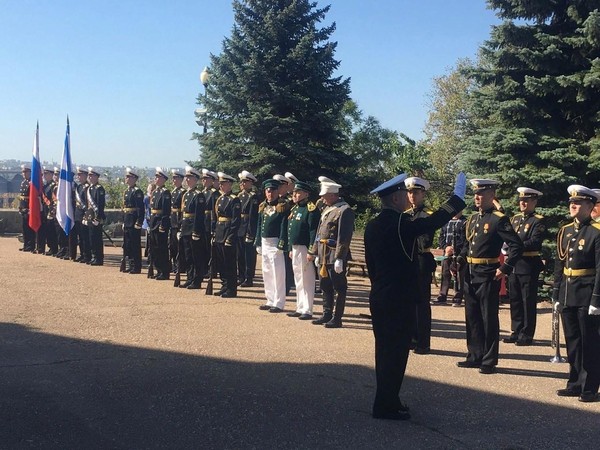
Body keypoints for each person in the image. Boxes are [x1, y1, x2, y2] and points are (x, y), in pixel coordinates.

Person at [364, 173, 466, 421]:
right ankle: (386, 405)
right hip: (398, 297)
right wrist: (456, 199)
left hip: (380, 293)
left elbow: (372, 267)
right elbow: (432, 222)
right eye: (403, 195)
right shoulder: (400, 224)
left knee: (384, 350)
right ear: (397, 197)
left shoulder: (372, 225)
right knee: (396, 353)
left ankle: (387, 400)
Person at [456, 179, 523, 374]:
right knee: (472, 316)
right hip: (470, 272)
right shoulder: (473, 219)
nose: (476, 197)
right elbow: (468, 245)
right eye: (475, 193)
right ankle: (474, 355)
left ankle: (489, 359)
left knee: (488, 317)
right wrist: (460, 259)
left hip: (488, 273)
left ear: (491, 195)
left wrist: (505, 268)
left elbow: (516, 245)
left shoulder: (498, 219)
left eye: (481, 193)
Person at [553, 185, 600, 403]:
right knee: (572, 340)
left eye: (579, 202)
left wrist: (596, 299)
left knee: (588, 341)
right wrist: (556, 293)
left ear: (590, 206)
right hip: (567, 292)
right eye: (572, 202)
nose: (573, 205)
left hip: (586, 292)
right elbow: (559, 264)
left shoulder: (596, 232)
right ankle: (574, 383)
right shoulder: (565, 231)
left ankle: (589, 386)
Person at [308, 178, 355, 328]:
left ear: (333, 195)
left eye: (324, 195)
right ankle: (326, 313)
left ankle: (337, 317)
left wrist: (340, 257)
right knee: (324, 285)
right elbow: (319, 233)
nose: (322, 198)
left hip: (334, 254)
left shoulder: (344, 210)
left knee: (339, 287)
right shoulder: (327, 209)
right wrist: (315, 252)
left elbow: (344, 236)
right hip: (323, 254)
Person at [504, 187, 545, 346]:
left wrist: (516, 246)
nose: (523, 203)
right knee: (515, 299)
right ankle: (516, 330)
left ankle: (527, 334)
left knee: (527, 300)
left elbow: (535, 242)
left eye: (526, 200)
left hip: (528, 265)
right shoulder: (515, 219)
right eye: (521, 200)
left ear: (534, 202)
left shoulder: (538, 221)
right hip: (514, 264)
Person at [404, 176, 435, 354]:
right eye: (409, 192)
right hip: (408, 261)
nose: (412, 196)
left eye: (415, 192)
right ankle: (411, 338)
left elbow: (424, 240)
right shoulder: (406, 215)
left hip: (421, 260)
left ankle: (423, 342)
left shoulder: (427, 215)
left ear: (423, 194)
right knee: (408, 302)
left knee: (422, 303)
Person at [286, 180, 320, 320]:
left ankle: (307, 309)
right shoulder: (294, 209)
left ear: (306, 194)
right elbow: (290, 230)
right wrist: (290, 247)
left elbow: (313, 231)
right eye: (294, 192)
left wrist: (312, 251)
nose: (295, 195)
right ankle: (300, 306)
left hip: (305, 248)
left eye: (298, 192)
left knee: (307, 279)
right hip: (295, 247)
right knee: (298, 278)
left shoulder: (310, 209)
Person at [255, 179, 290, 312]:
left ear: (277, 191)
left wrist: (281, 244)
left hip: (275, 243)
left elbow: (283, 226)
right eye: (268, 191)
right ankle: (269, 299)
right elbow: (259, 225)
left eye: (273, 191)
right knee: (267, 272)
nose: (270, 194)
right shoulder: (263, 206)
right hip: (265, 242)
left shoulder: (282, 206)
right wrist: (257, 241)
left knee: (278, 273)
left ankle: (279, 302)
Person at [213, 172, 241, 297]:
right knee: (221, 263)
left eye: (223, 184)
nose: (221, 186)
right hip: (220, 232)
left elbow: (235, 221)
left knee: (229, 263)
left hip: (228, 234)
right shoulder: (221, 198)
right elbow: (217, 218)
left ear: (229, 184)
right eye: (220, 184)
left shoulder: (234, 200)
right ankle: (224, 285)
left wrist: (230, 237)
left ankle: (231, 288)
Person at [179, 166, 207, 289]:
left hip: (193, 228)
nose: (187, 180)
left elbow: (199, 216)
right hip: (186, 227)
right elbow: (182, 213)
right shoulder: (186, 194)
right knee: (188, 255)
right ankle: (190, 277)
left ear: (196, 179)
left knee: (196, 256)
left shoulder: (198, 195)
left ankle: (197, 279)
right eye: (187, 177)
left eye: (190, 178)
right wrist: (181, 228)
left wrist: (196, 231)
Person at [435, 212, 467, 306]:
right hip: (447, 252)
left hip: (459, 253)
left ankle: (458, 296)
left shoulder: (464, 222)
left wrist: (454, 249)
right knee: (445, 273)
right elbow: (441, 236)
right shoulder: (446, 221)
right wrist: (445, 247)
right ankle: (442, 295)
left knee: (459, 275)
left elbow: (464, 239)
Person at [236, 170, 259, 287]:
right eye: (242, 182)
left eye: (245, 182)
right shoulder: (239, 196)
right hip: (240, 228)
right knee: (240, 254)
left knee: (248, 255)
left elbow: (252, 216)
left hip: (247, 228)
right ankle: (241, 276)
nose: (243, 184)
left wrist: (250, 232)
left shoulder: (253, 197)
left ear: (251, 183)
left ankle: (248, 277)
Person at [148, 167, 172, 280]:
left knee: (161, 248)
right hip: (153, 222)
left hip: (160, 222)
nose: (156, 179)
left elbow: (166, 211)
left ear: (163, 179)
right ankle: (158, 269)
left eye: (158, 177)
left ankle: (164, 271)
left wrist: (163, 224)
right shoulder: (155, 192)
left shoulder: (165, 193)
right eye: (156, 177)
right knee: (154, 248)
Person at [121, 168, 145, 274]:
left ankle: (136, 266)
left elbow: (140, 208)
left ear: (134, 178)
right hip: (127, 221)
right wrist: (123, 221)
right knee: (128, 244)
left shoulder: (137, 192)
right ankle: (130, 264)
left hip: (134, 221)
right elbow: (125, 208)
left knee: (135, 245)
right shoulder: (127, 191)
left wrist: (139, 222)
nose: (126, 179)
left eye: (128, 177)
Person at [84, 167, 106, 266]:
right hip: (90, 217)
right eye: (89, 175)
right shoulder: (90, 188)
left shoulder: (99, 189)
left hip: (96, 217)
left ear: (96, 177)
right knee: (91, 238)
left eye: (92, 176)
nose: (90, 177)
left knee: (97, 239)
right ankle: (94, 256)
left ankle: (99, 258)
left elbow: (100, 205)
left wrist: (98, 217)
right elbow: (88, 205)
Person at [169, 169, 186, 274]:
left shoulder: (183, 192)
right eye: (173, 178)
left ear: (180, 180)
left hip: (178, 222)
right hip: (172, 221)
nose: (174, 180)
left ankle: (180, 266)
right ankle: (175, 264)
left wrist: (180, 225)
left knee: (180, 247)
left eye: (176, 178)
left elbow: (182, 211)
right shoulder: (173, 192)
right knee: (172, 246)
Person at [73, 167, 91, 263]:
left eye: (80, 175)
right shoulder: (79, 187)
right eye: (78, 175)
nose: (78, 177)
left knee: (85, 237)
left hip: (85, 214)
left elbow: (88, 203)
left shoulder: (88, 187)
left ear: (85, 175)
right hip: (78, 214)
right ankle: (82, 254)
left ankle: (87, 255)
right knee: (80, 237)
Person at [37, 167, 57, 255]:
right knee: (47, 230)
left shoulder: (54, 186)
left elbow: (54, 199)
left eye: (46, 174)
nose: (44, 176)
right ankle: (50, 247)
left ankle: (54, 248)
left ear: (51, 175)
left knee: (52, 230)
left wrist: (52, 210)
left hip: (51, 210)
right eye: (44, 174)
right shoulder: (45, 186)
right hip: (45, 210)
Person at [18, 164, 36, 252]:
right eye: (23, 172)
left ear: (30, 172)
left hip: (29, 209)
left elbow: (32, 198)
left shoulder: (31, 183)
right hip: (23, 208)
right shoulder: (23, 183)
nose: (24, 174)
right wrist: (20, 207)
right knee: (24, 228)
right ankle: (26, 244)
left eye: (26, 172)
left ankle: (31, 245)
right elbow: (22, 197)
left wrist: (29, 209)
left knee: (30, 228)